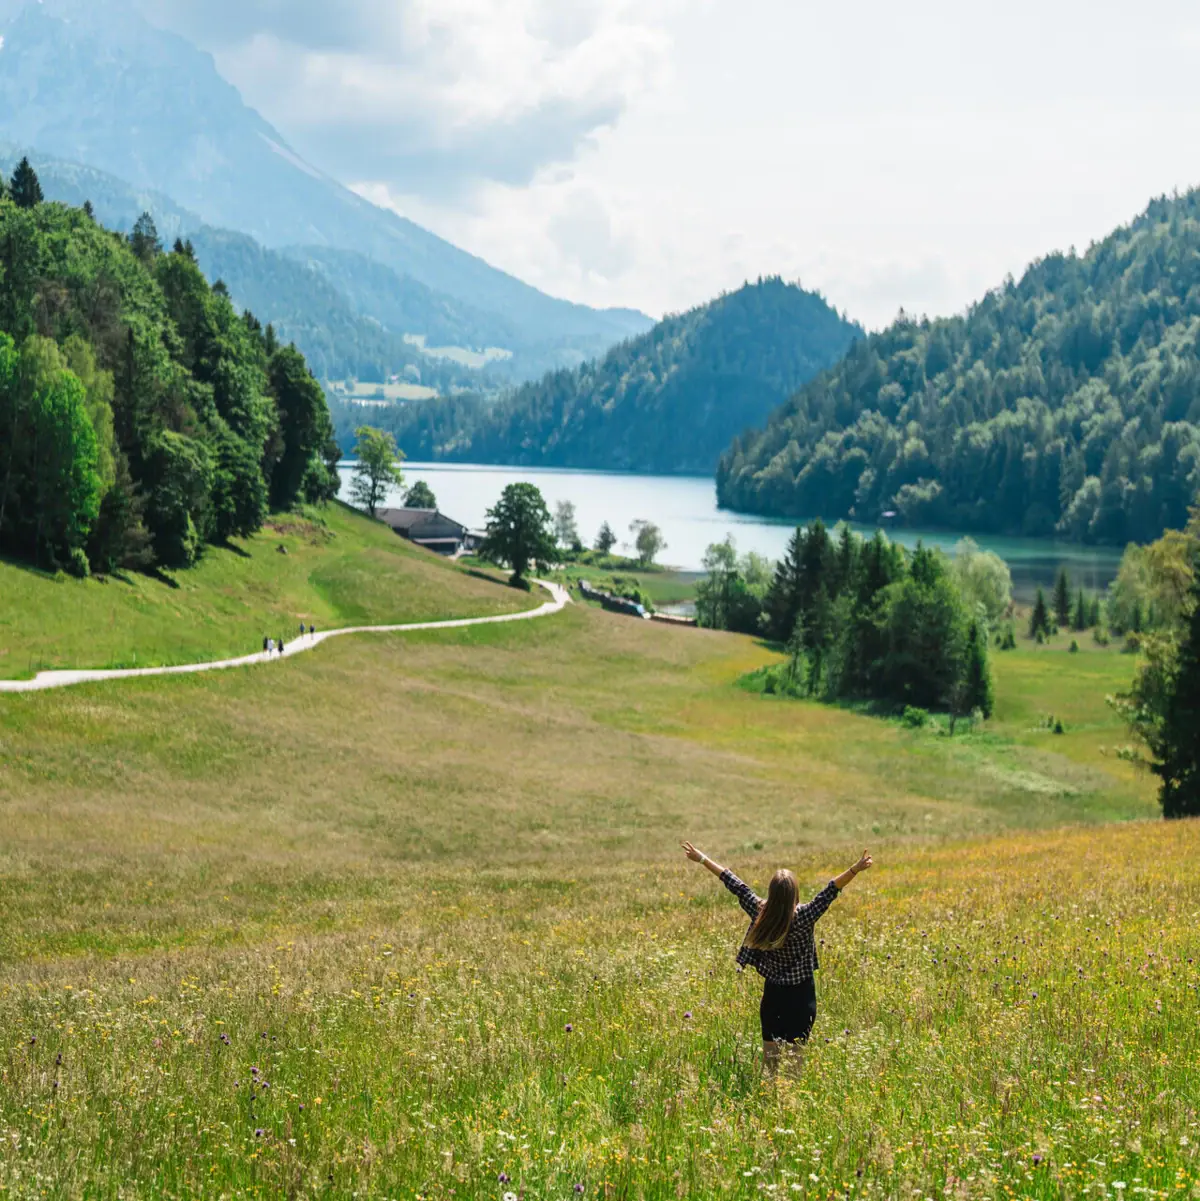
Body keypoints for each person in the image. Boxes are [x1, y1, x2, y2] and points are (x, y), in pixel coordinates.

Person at [680, 841, 872, 1075]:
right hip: (802, 996)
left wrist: (702, 859)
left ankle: (768, 1097)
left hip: (773, 996)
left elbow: (734, 883)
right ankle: (788, 1104)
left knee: (770, 1059)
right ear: (795, 894)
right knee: (794, 1060)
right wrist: (855, 868)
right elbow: (831, 889)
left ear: (772, 892)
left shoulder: (760, 911)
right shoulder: (805, 916)